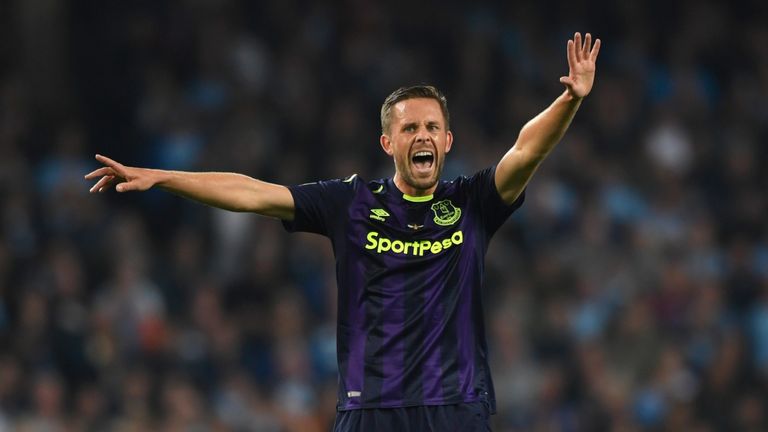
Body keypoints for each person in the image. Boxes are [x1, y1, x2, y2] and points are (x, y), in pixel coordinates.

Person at [86, 32, 600, 432]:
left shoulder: (474, 202)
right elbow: (251, 192)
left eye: (430, 128)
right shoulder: (350, 202)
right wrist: (163, 177)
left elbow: (525, 150)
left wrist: (570, 101)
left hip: (455, 407)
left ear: (447, 140)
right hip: (369, 408)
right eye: (408, 128)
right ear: (387, 141)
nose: (421, 136)